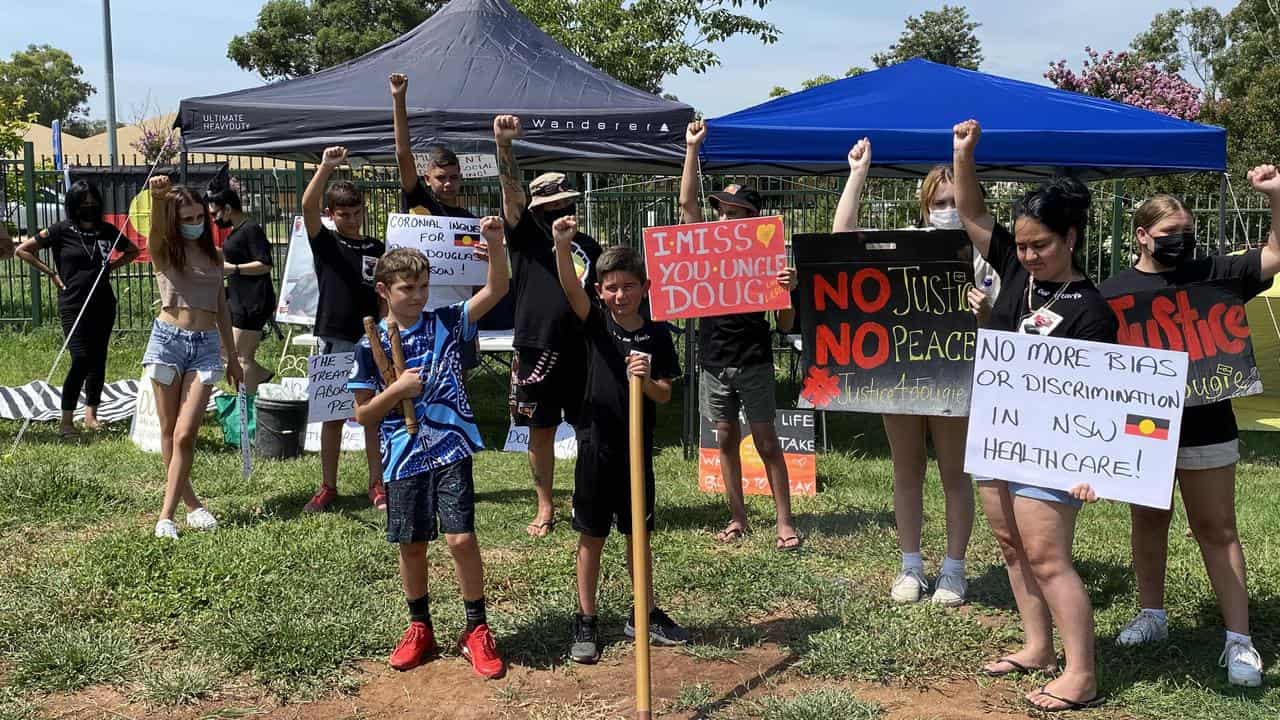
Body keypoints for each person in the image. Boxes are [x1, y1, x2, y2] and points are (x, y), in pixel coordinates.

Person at [954, 119, 1114, 712]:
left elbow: (1099, 398)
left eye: (1040, 245)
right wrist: (962, 156)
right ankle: (1037, 647)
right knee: (1010, 544)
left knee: (1048, 556)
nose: (1027, 255)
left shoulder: (1090, 309)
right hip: (996, 433)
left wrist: (1092, 465)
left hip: (1055, 450)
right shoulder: (1018, 275)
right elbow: (972, 216)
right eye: (1020, 246)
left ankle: (1081, 674)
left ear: (1070, 237)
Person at [1098, 168, 1280, 688]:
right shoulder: (1112, 294)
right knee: (1149, 522)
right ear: (1140, 236)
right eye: (1168, 235)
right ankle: (1151, 615)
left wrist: (1274, 196)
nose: (1179, 244)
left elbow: (1275, 252)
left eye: (1187, 235)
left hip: (1207, 425)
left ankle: (1239, 640)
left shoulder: (1216, 274)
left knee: (1217, 529)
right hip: (1143, 430)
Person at [348, 221, 509, 678]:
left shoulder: (447, 322)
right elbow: (363, 416)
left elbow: (497, 288)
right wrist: (396, 389)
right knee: (413, 544)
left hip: (451, 446)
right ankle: (420, 626)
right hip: (403, 454)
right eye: (408, 288)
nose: (419, 296)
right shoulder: (369, 343)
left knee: (460, 538)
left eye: (423, 286)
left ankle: (476, 628)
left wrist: (495, 246)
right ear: (384, 290)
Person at [830, 139, 987, 605]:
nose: (947, 210)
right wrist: (857, 173)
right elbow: (843, 241)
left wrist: (987, 311)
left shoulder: (985, 252)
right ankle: (910, 567)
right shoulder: (902, 240)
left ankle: (954, 570)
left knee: (956, 473)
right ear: (925, 205)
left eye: (956, 202)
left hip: (958, 373)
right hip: (900, 374)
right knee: (907, 469)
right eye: (940, 203)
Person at [550, 215, 690, 662]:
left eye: (628, 286)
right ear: (600, 292)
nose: (620, 295)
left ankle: (642, 614)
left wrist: (646, 379)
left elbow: (665, 395)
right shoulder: (595, 323)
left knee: (637, 536)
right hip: (597, 442)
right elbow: (571, 287)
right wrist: (560, 244)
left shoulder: (658, 333)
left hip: (637, 446)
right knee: (592, 535)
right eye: (611, 287)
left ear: (645, 288)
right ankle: (586, 619)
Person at [680, 119, 802, 551]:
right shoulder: (703, 248)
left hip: (753, 359)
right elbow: (686, 206)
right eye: (722, 210)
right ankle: (738, 518)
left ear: (752, 219)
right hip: (713, 358)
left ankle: (784, 522)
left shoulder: (768, 261)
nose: (724, 217)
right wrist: (692, 149)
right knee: (725, 438)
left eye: (734, 212)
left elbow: (785, 326)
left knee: (767, 440)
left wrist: (787, 294)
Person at [494, 114, 603, 538]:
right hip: (537, 346)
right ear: (538, 211)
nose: (564, 214)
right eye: (553, 208)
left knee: (587, 428)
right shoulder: (524, 236)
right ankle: (544, 505)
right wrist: (504, 146)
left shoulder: (590, 246)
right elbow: (511, 192)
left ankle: (584, 496)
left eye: (569, 206)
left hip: (583, 348)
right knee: (539, 429)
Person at [144, 176, 244, 540]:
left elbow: (221, 307)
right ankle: (183, 509)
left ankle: (169, 512)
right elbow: (155, 229)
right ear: (174, 219)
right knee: (170, 431)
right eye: (185, 218)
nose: (194, 222)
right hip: (167, 342)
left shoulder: (215, 255)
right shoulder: (166, 250)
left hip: (205, 347)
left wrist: (232, 357)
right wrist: (157, 198)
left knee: (186, 433)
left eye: (198, 216)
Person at [300, 146, 387, 513]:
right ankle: (328, 486)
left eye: (356, 212)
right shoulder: (326, 240)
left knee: (370, 414)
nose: (351, 220)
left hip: (368, 339)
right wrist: (325, 168)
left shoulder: (376, 246)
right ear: (330, 215)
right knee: (332, 414)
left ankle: (377, 484)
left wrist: (383, 328)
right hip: (334, 336)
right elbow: (307, 206)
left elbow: (383, 290)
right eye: (343, 214)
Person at [15, 181, 140, 436]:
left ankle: (91, 415)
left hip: (103, 303)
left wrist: (111, 268)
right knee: (80, 358)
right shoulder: (61, 230)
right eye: (83, 203)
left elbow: (132, 250)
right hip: (72, 304)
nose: (89, 207)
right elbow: (23, 250)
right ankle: (66, 420)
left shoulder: (107, 231)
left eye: (93, 203)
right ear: (73, 205)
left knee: (98, 359)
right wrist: (51, 273)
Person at [206, 184, 276, 393]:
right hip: (239, 299)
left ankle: (246, 407)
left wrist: (233, 269)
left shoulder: (250, 229)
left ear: (227, 209)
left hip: (253, 300)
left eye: (215, 213)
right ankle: (260, 377)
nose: (214, 219)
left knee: (241, 356)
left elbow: (265, 264)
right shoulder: (237, 231)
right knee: (228, 352)